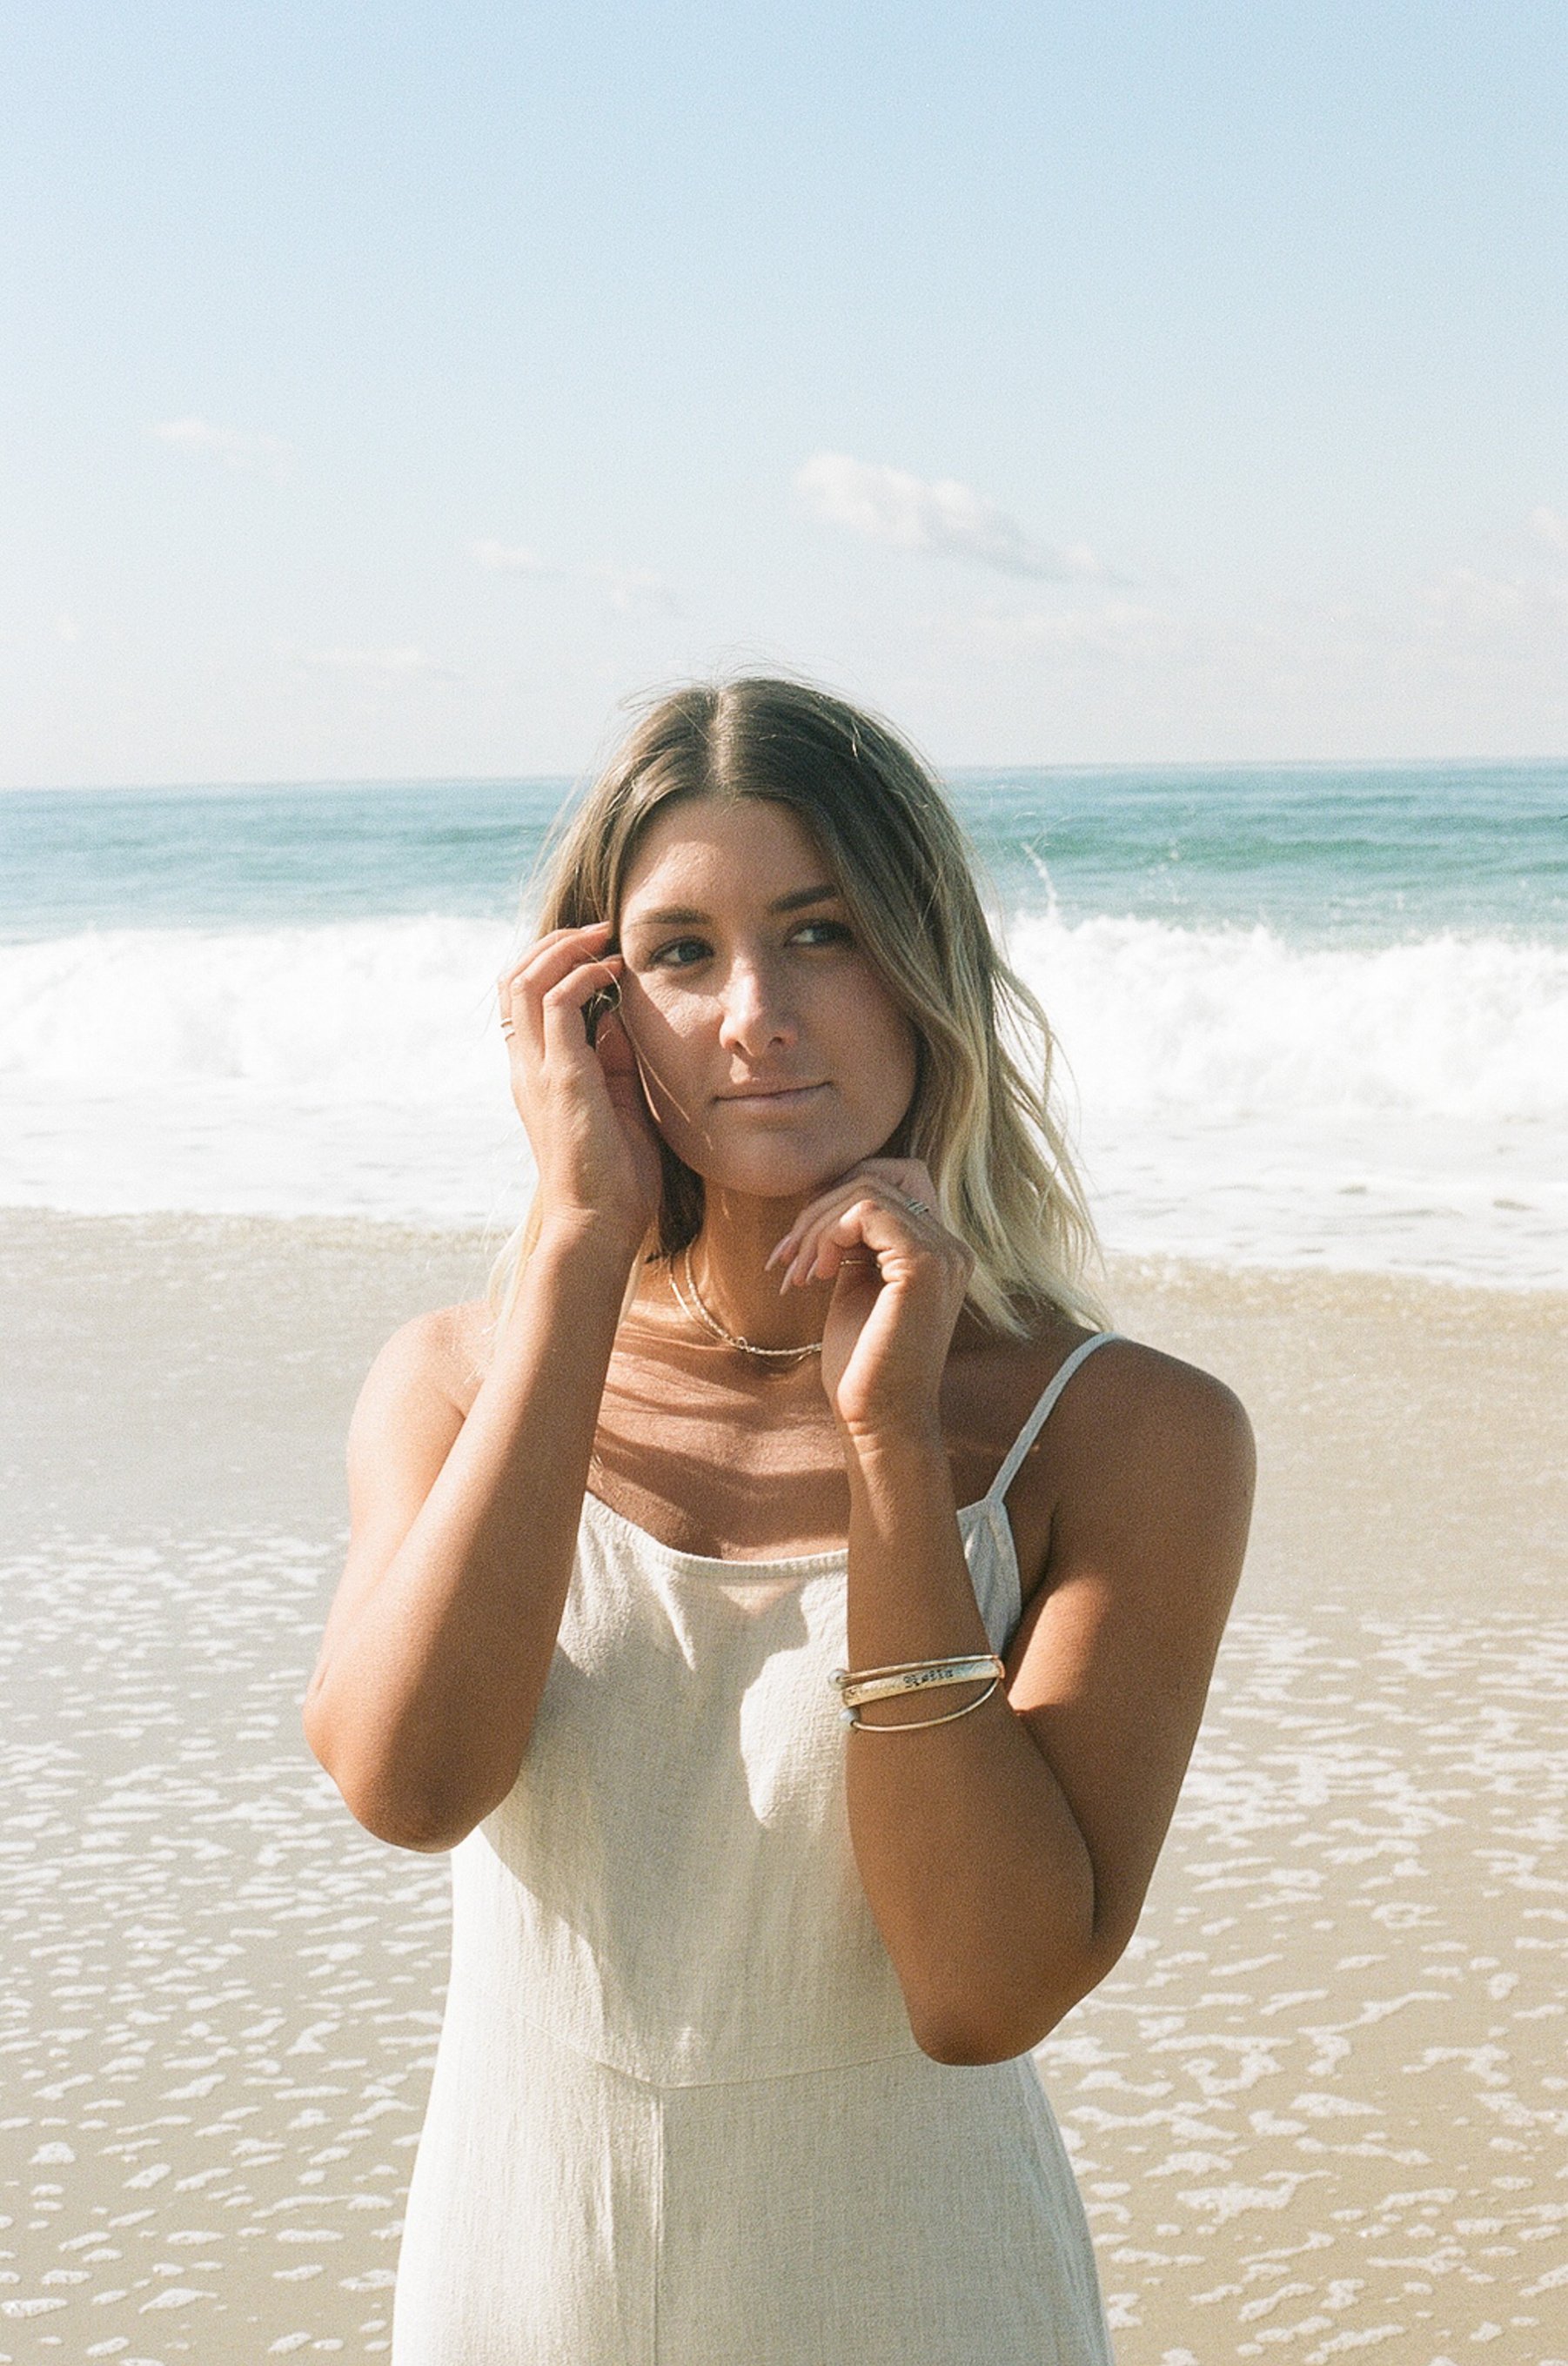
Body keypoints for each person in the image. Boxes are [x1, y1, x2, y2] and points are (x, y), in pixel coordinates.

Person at [303, 676, 1255, 2363]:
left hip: (919, 2290)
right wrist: (575, 1258)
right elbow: (408, 1783)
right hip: (523, 2277)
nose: (755, 1010)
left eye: (819, 932)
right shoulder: (451, 1380)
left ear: (922, 961)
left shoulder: (1124, 1433)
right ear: (592, 1011)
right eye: (681, 951)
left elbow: (977, 1989)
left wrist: (888, 1440)